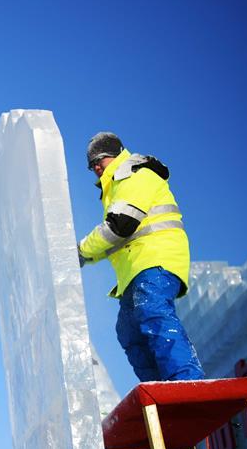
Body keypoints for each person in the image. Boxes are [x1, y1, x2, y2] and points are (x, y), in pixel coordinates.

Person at [78, 132, 205, 383]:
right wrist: (85, 258)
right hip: (135, 270)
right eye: (91, 164)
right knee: (128, 331)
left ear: (113, 155)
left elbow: (120, 226)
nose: (94, 167)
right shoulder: (114, 186)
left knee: (153, 311)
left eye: (98, 160)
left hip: (155, 260)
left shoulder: (134, 174)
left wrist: (81, 250)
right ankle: (160, 389)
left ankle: (187, 381)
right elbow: (117, 239)